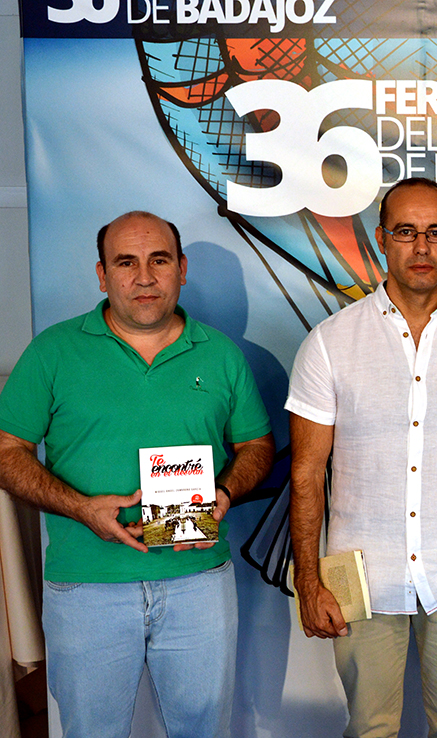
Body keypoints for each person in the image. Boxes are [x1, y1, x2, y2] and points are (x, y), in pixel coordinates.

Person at [0, 211, 275, 738]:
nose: (144, 277)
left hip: (199, 582)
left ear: (182, 269)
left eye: (159, 260)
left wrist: (225, 491)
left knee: (202, 730)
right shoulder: (54, 351)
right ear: (102, 275)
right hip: (86, 588)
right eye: (126, 262)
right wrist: (81, 508)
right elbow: (7, 449)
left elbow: (257, 444)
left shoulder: (220, 354)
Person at [287, 177, 437, 738]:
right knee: (369, 729)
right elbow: (305, 473)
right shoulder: (329, 342)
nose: (421, 247)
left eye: (435, 232)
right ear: (381, 240)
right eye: (406, 232)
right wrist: (309, 579)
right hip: (360, 574)